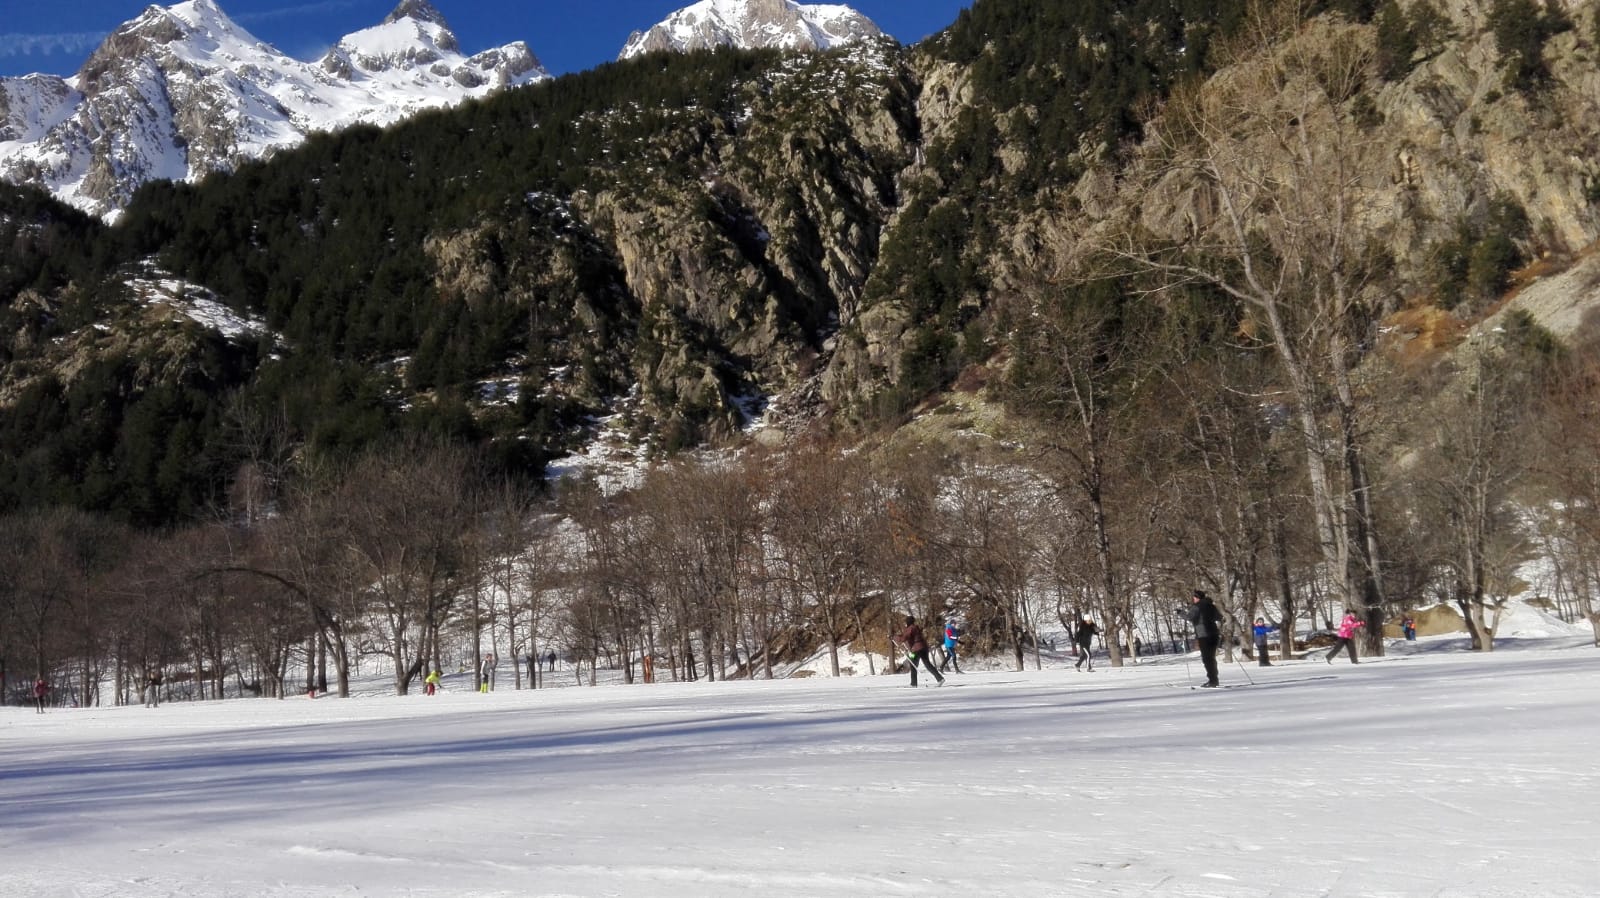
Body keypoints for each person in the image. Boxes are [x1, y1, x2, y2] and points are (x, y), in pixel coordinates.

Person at [1185, 589, 1224, 687]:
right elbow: (1219, 617)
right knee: (1211, 658)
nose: (1193, 599)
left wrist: (1180, 613)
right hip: (1214, 634)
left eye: (1194, 597)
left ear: (1197, 597)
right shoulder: (1211, 606)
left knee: (1207, 659)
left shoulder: (1196, 607)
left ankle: (1212, 680)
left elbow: (1189, 617)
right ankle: (1214, 679)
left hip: (1203, 635)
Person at [895, 615, 945, 688]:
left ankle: (913, 684)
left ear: (908, 622)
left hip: (916, 650)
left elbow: (903, 639)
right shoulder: (916, 627)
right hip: (923, 648)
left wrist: (894, 637)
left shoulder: (910, 628)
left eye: (906, 622)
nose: (905, 623)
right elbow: (905, 636)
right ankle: (940, 679)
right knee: (928, 664)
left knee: (913, 665)